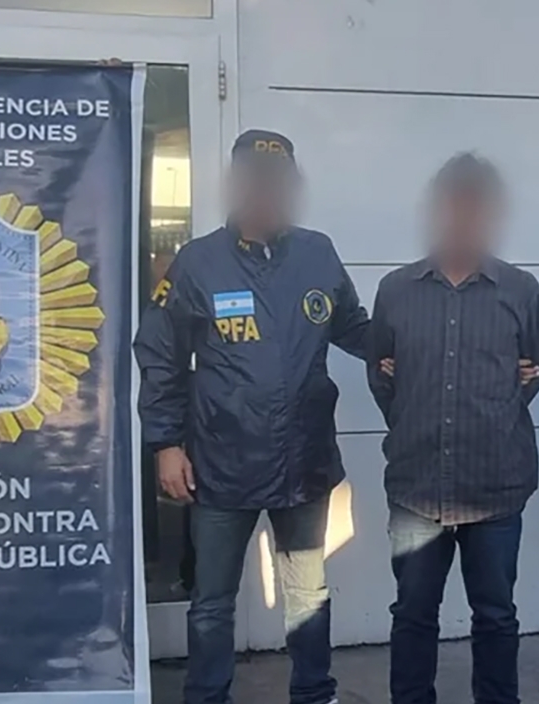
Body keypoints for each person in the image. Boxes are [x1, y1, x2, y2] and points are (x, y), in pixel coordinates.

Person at [134, 129, 369, 704]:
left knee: (307, 594)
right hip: (222, 464)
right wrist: (166, 443)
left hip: (304, 461)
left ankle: (314, 694)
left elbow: (355, 327)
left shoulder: (317, 253)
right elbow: (160, 354)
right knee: (212, 602)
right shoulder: (198, 263)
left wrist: (408, 343)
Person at [367, 152, 539, 704]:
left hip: (494, 488)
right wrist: (416, 418)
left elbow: (532, 372)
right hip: (417, 488)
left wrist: (488, 414)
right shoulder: (395, 290)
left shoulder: (521, 291)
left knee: (495, 615)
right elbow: (382, 378)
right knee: (413, 614)